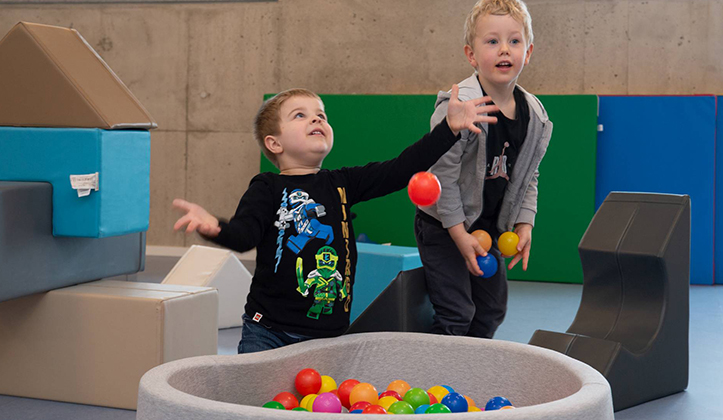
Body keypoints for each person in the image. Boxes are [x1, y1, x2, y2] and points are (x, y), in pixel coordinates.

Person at [172, 86, 498, 353]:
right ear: (275, 143)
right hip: (269, 330)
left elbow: (401, 168)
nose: (316, 119)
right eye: (300, 115)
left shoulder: (341, 183)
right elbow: (244, 236)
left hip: (327, 334)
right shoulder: (267, 187)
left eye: (321, 115)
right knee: (256, 405)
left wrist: (449, 130)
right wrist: (216, 228)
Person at [415, 0, 553, 338]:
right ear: (472, 55)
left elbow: (528, 176)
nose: (504, 49)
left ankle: (471, 380)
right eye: (492, 41)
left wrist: (525, 222)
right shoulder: (459, 105)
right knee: (456, 312)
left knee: (492, 310)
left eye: (514, 41)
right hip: (444, 228)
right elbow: (441, 175)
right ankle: (439, 384)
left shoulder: (533, 114)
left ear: (528, 52)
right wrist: (459, 234)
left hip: (489, 229)